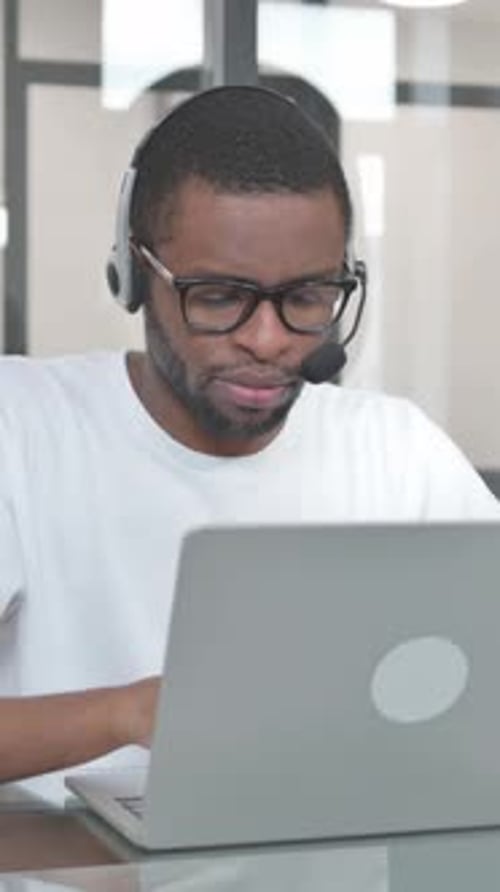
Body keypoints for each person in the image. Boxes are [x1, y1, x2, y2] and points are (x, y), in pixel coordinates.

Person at [0, 86, 498, 804]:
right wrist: (129, 714)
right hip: (73, 859)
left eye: (306, 298)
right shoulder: (23, 428)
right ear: (134, 273)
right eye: (219, 297)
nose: (267, 341)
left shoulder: (397, 450)